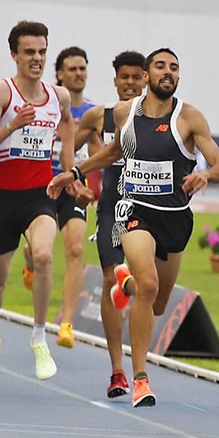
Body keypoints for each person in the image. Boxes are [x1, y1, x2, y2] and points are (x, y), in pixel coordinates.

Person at [52, 48, 219, 407]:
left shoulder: (190, 117)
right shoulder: (124, 113)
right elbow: (115, 151)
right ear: (146, 76)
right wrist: (74, 173)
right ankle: (140, 378)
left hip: (175, 218)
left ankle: (125, 285)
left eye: (174, 68)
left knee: (158, 302)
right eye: (160, 66)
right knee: (147, 285)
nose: (168, 72)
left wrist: (205, 173)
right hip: (135, 211)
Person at [0, 20, 85, 389]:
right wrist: (13, 126)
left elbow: (68, 124)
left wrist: (69, 168)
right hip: (3, 198)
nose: (37, 59)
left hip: (40, 195)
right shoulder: (0, 92)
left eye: (42, 51)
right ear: (14, 55)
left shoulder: (59, 96)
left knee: (42, 256)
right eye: (29, 52)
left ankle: (40, 337)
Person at [69, 51, 147, 397]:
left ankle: (132, 290)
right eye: (124, 77)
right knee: (108, 274)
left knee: (149, 292)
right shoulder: (97, 117)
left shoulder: (164, 118)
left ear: (145, 80)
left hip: (151, 208)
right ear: (115, 80)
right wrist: (75, 180)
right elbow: (67, 150)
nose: (130, 83)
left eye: (136, 77)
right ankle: (118, 371)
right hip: (113, 207)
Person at [48, 46, 97, 349]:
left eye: (83, 68)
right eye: (72, 69)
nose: (78, 74)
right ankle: (28, 262)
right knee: (37, 251)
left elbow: (98, 152)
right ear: (60, 74)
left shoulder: (93, 113)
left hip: (74, 189)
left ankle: (66, 324)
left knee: (76, 249)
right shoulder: (48, 106)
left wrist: (92, 185)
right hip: (43, 185)